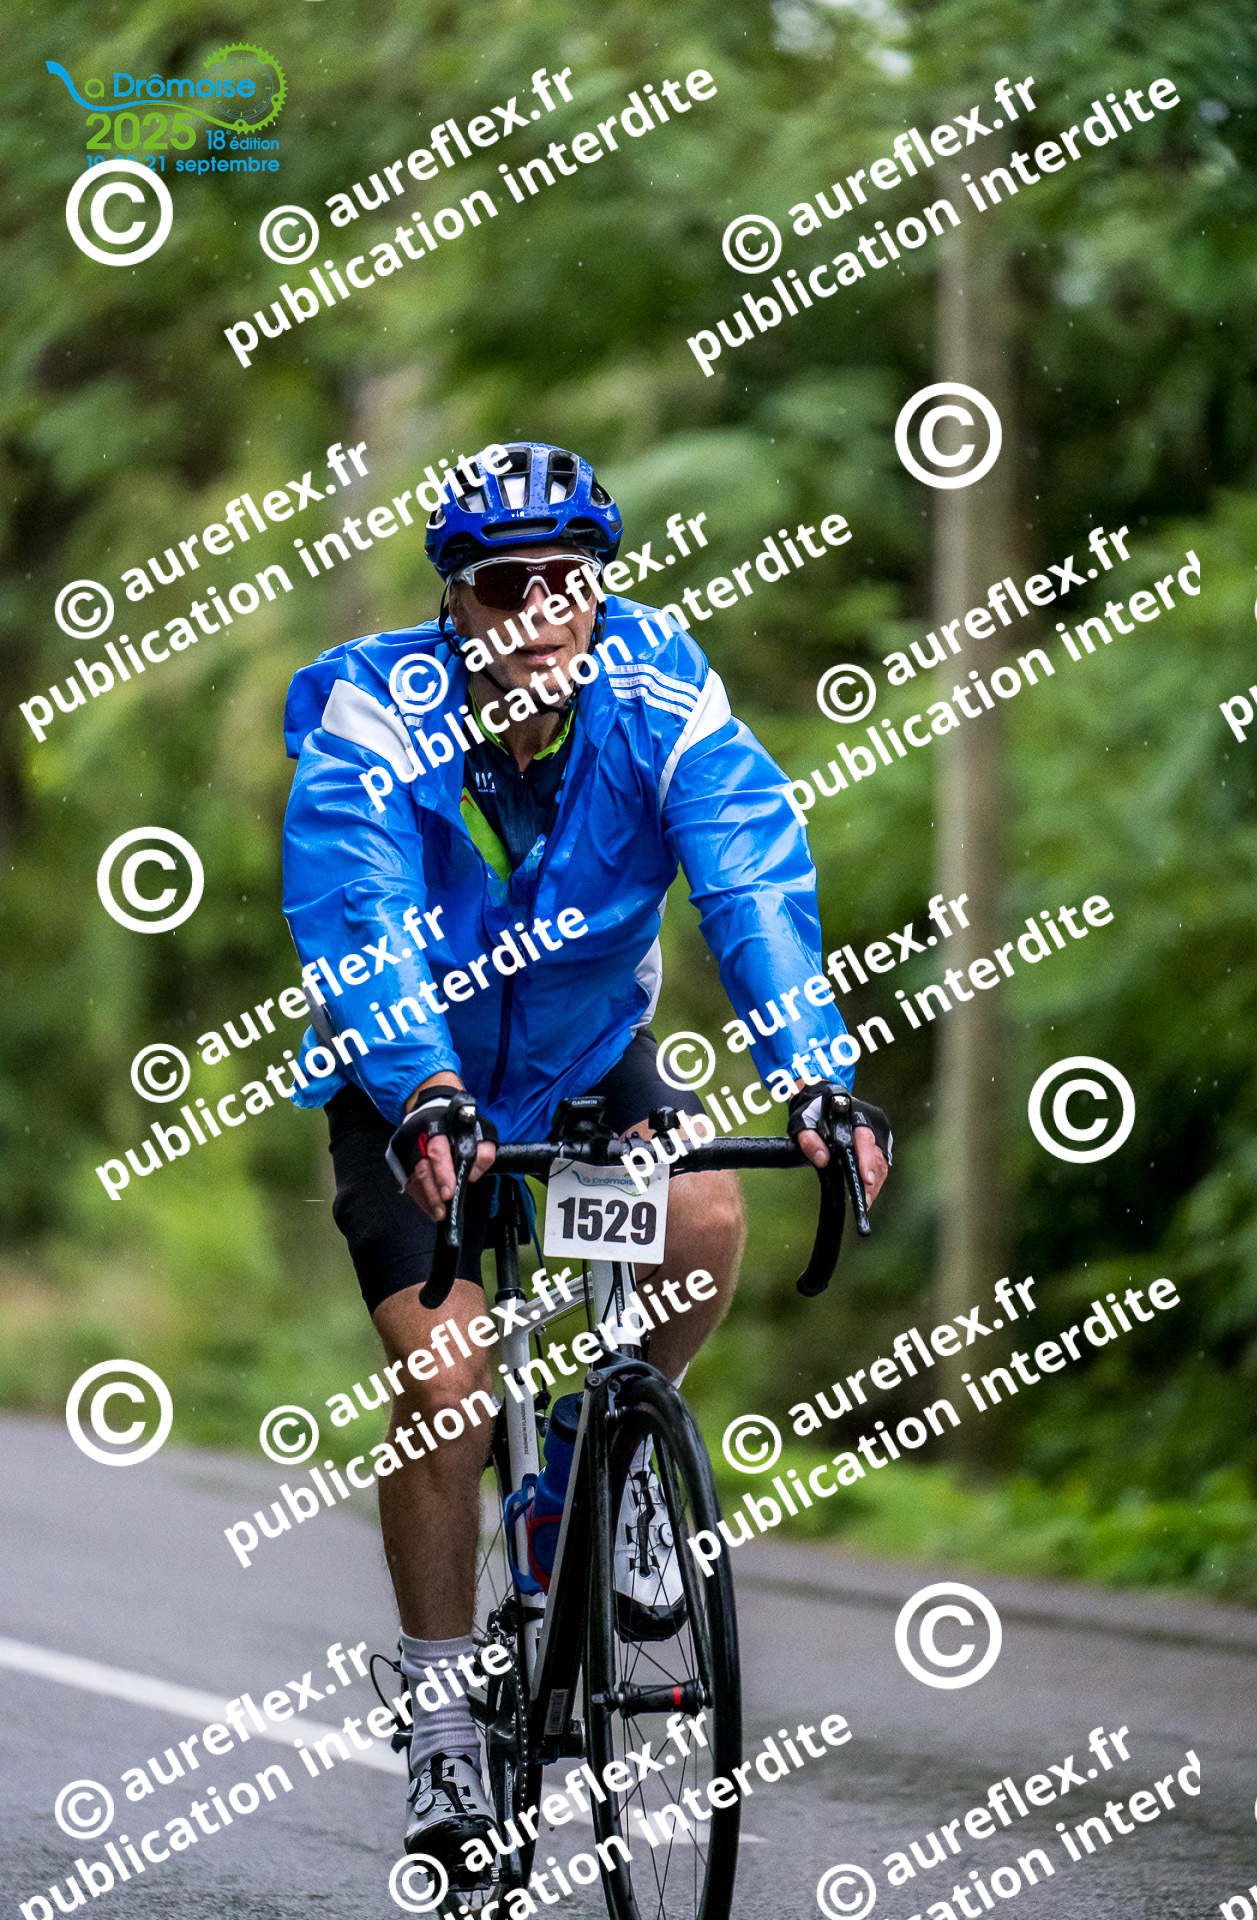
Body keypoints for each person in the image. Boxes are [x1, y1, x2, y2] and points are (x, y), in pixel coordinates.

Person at [279, 440, 890, 1873]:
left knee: (708, 1217)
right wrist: (425, 1088)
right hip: (409, 1078)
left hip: (584, 1057)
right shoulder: (375, 712)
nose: (543, 609)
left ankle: (605, 1487)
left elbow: (749, 875)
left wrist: (816, 1076)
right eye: (508, 585)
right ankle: (443, 1717)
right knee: (444, 1384)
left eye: (570, 579)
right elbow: (359, 909)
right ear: (456, 601)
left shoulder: (659, 691)